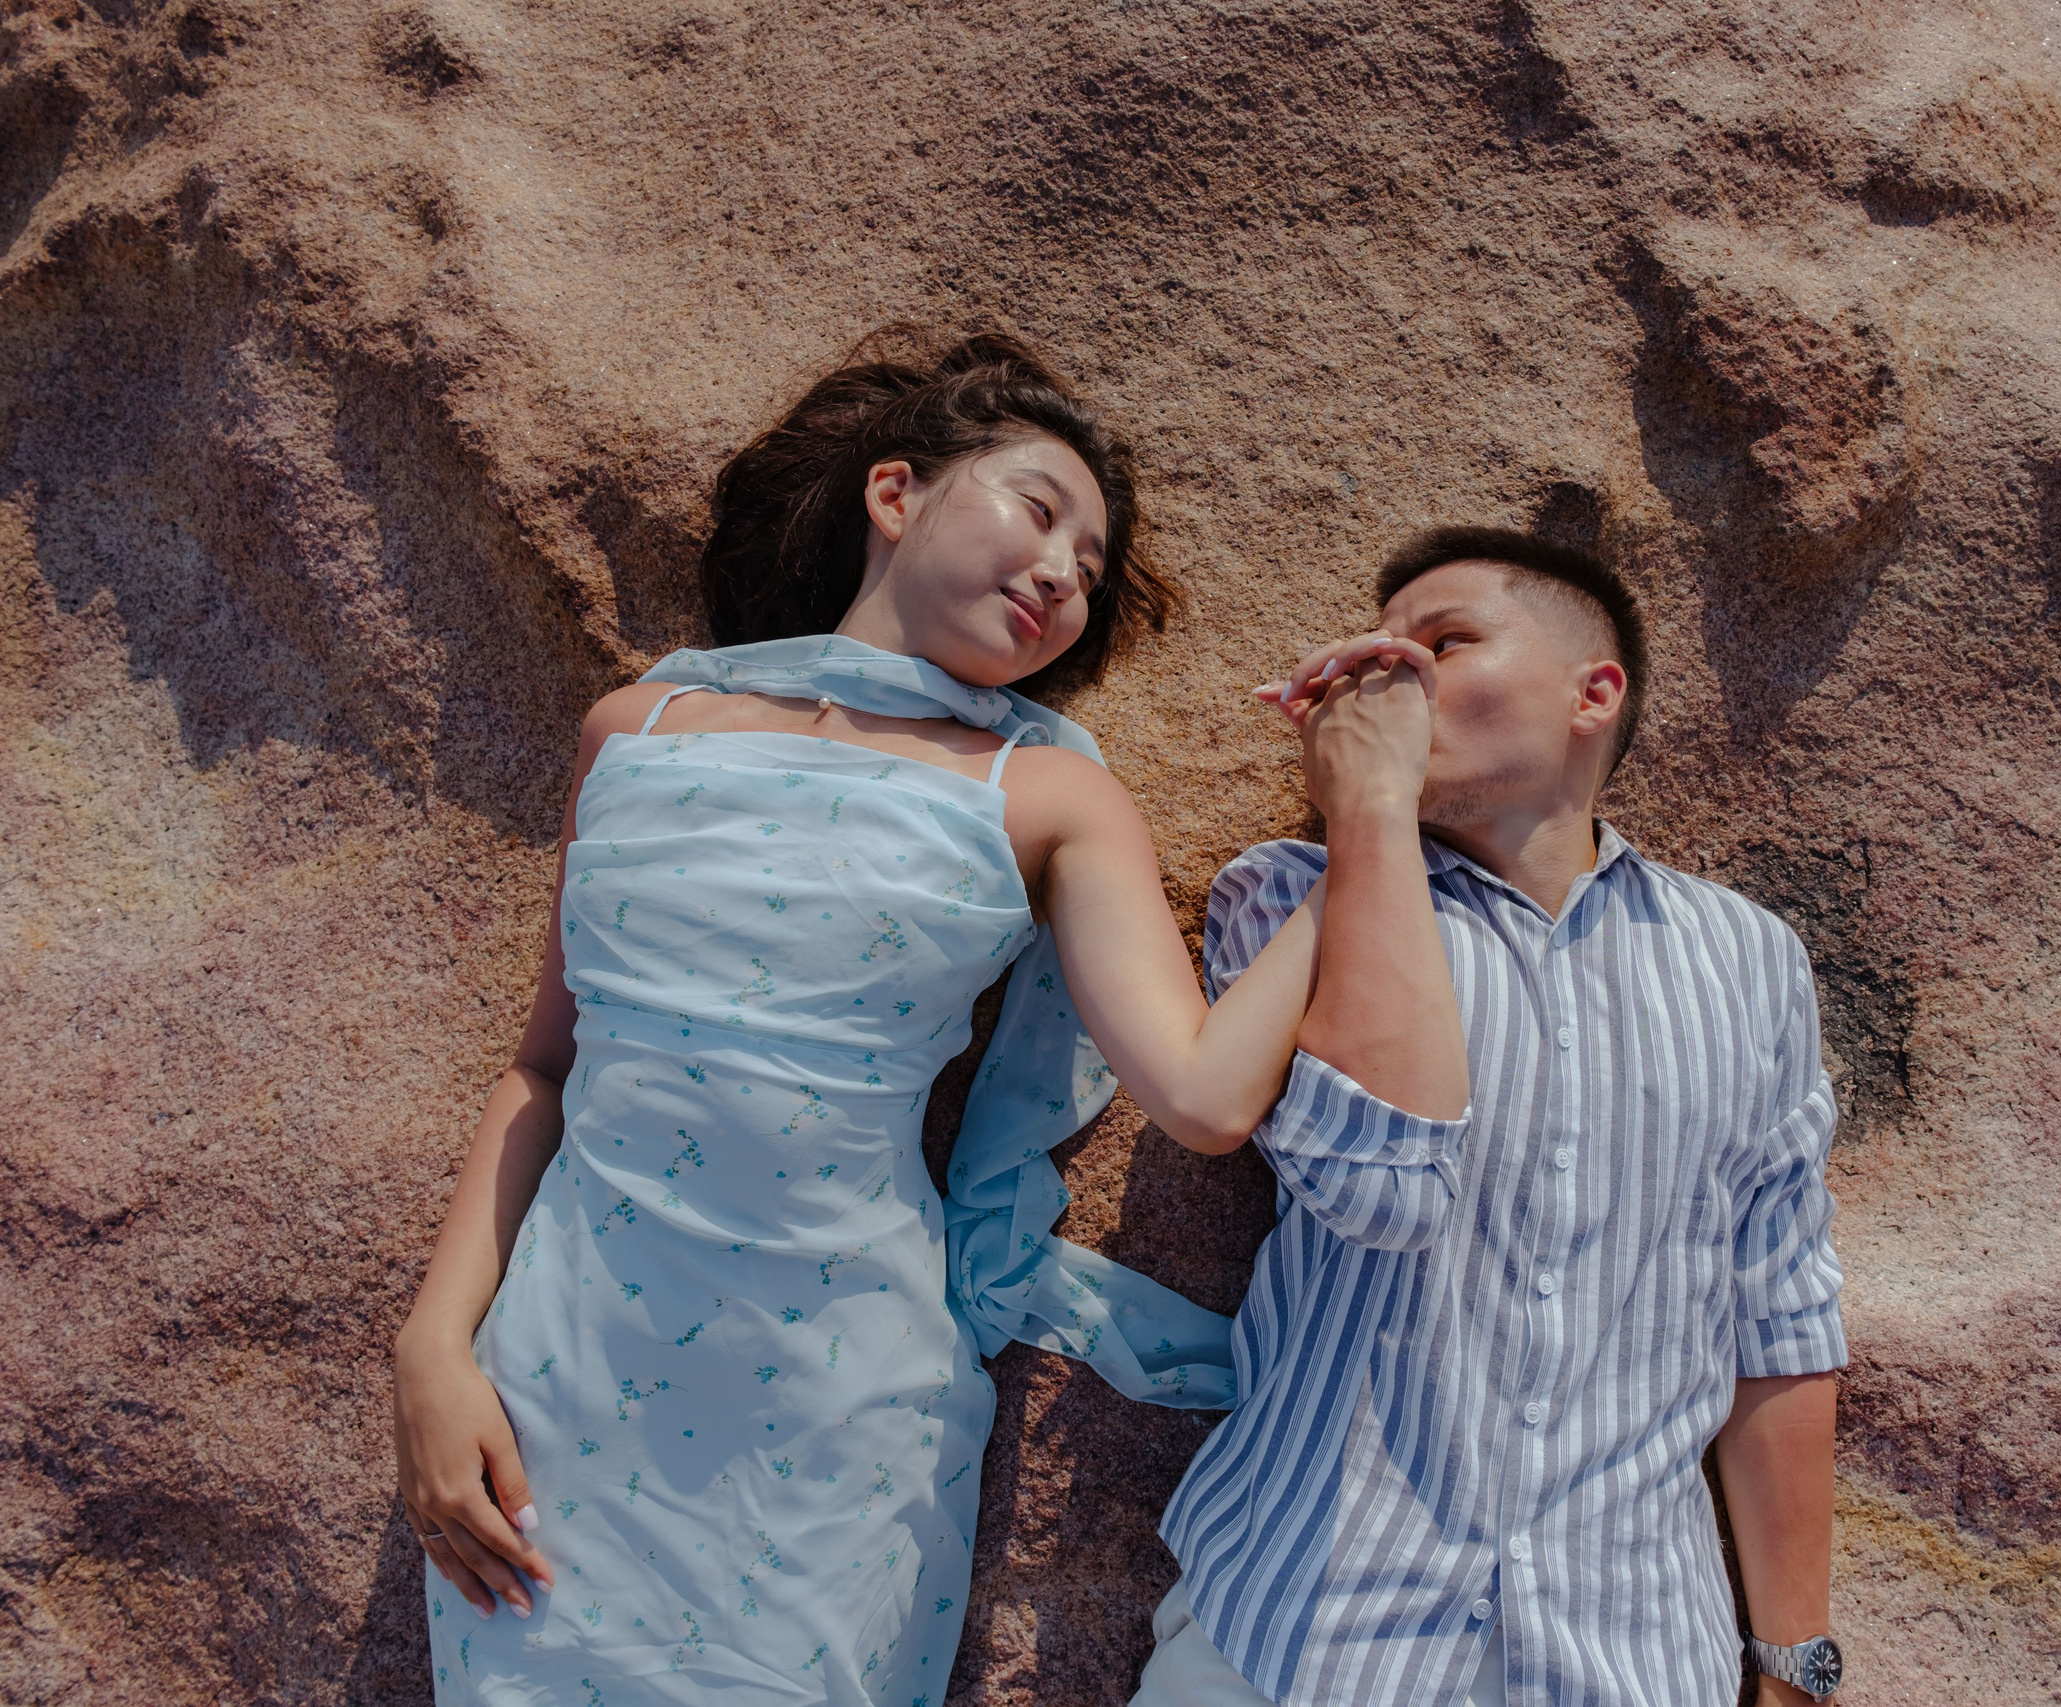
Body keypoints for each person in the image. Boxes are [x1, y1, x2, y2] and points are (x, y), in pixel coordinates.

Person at [390, 330, 1469, 1706]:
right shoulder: (640, 727)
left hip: (834, 1409)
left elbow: (1203, 1095)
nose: (1062, 572)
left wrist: (1365, 818)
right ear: (895, 493)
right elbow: (547, 1069)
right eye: (1039, 509)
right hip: (560, 1379)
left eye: (1089, 570)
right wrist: (432, 1346)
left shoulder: (1049, 794)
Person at [1134, 527, 1849, 1707]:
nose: (1387, 671)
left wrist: (1795, 1668)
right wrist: (1368, 806)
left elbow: (1777, 1314)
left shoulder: (1750, 957)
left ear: (1592, 693)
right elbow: (1379, 1185)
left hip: (1631, 1656)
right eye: (1375, 651)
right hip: (1300, 1636)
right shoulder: (1288, 896)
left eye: (1444, 640)